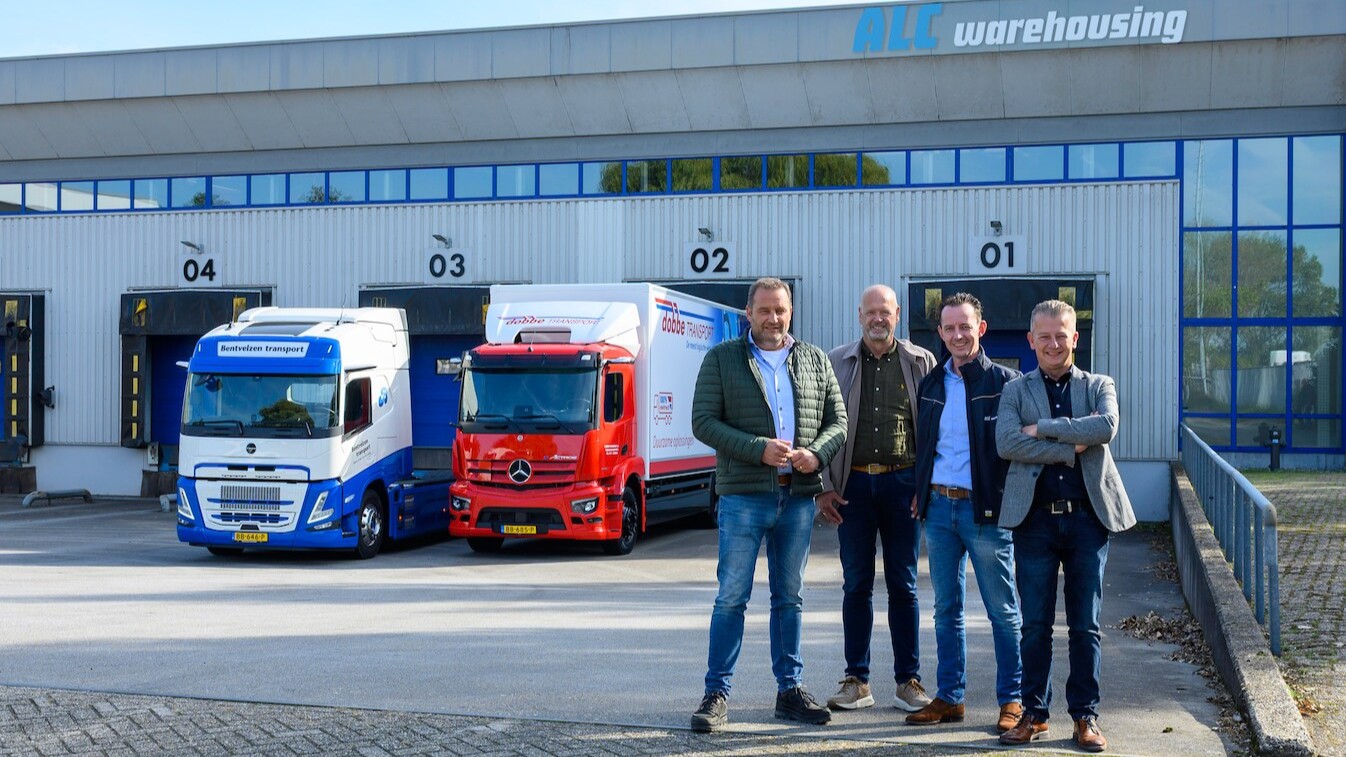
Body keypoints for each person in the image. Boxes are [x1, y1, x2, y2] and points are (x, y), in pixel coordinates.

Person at [688, 277, 847, 733]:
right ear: (749, 313)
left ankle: (789, 691)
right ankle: (716, 694)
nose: (773, 318)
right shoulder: (722, 359)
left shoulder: (814, 359)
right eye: (764, 310)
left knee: (789, 598)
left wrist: (817, 454)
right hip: (743, 496)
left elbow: (838, 420)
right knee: (731, 598)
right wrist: (757, 448)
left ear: (790, 312)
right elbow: (703, 421)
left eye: (780, 310)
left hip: (797, 498)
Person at [996, 299, 1136, 753]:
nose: (1053, 344)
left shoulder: (1099, 385)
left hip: (1087, 522)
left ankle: (1085, 717)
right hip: (1034, 522)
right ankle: (1034, 714)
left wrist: (1042, 429)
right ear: (1031, 340)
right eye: (1045, 336)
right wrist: (1068, 444)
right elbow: (1006, 443)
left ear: (1075, 338)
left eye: (1062, 335)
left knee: (1085, 626)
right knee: (1034, 626)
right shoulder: (1015, 390)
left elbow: (1105, 427)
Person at [906, 292, 1025, 733]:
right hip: (939, 510)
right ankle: (950, 697)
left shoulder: (1007, 383)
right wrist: (921, 492)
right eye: (950, 328)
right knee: (946, 610)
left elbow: (1018, 448)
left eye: (965, 326)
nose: (958, 335)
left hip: (986, 512)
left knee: (1002, 611)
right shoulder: (932, 384)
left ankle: (1012, 699)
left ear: (981, 328)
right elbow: (923, 446)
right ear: (940, 332)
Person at [816, 284, 935, 714]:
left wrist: (926, 486)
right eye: (871, 312)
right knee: (856, 584)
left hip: (905, 487)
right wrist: (823, 486)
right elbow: (818, 425)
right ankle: (857, 681)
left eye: (885, 312)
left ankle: (908, 682)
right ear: (860, 315)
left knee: (904, 585)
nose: (878, 319)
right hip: (853, 489)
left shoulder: (921, 362)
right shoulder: (836, 361)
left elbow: (936, 428)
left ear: (897, 314)